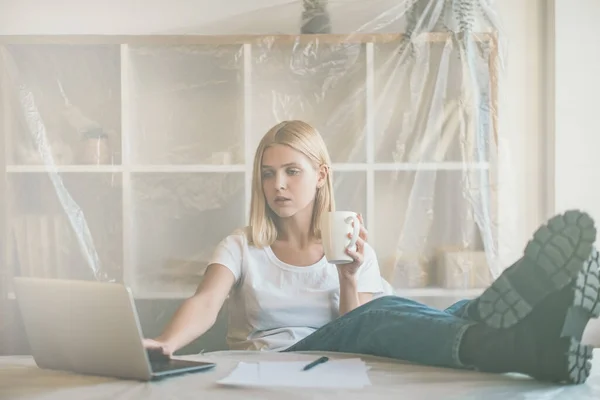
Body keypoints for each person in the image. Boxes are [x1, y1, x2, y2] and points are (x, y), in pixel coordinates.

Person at [144, 120, 600, 385]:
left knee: (429, 311)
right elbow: (205, 303)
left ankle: (543, 331)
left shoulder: (350, 242)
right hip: (276, 363)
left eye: (291, 171)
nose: (277, 185)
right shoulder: (243, 244)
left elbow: (360, 330)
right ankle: (522, 328)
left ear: (321, 174)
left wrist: (348, 276)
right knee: (381, 313)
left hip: (334, 361)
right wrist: (165, 344)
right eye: (267, 174)